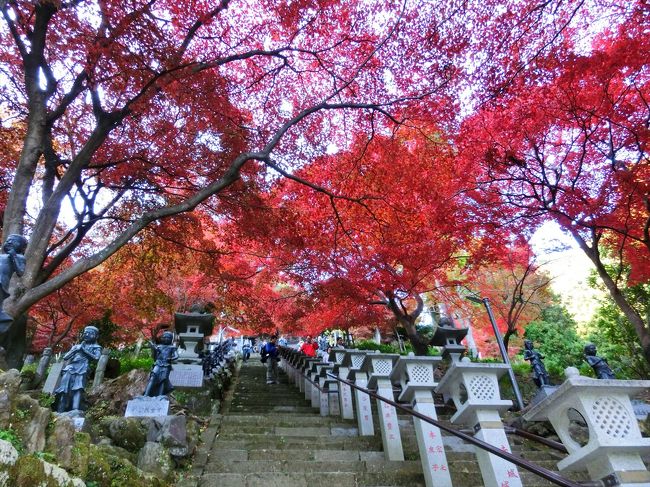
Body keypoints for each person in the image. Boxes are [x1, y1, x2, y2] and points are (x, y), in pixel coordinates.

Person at [55, 326, 102, 412]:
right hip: (71, 367)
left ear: (96, 336)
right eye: (85, 333)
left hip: (83, 367)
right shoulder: (77, 346)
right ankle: (60, 409)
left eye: (90, 333)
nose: (86, 335)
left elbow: (96, 358)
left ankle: (75, 409)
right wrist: (74, 350)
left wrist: (84, 350)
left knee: (78, 387)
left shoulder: (96, 347)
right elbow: (66, 357)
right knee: (64, 387)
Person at [0, 235, 27, 332]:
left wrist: (13, 255)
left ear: (21, 246)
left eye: (13, 241)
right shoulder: (1, 256)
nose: (9, 242)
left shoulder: (19, 257)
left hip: (1, 284)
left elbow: (20, 271)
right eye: (7, 240)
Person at [144, 331, 179, 397]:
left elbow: (176, 356)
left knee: (163, 379)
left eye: (168, 338)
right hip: (158, 364)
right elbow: (155, 356)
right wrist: (153, 348)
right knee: (153, 377)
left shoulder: (172, 347)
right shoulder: (159, 346)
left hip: (166, 365)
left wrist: (170, 359)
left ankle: (160, 395)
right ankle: (146, 394)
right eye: (164, 337)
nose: (166, 339)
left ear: (171, 339)